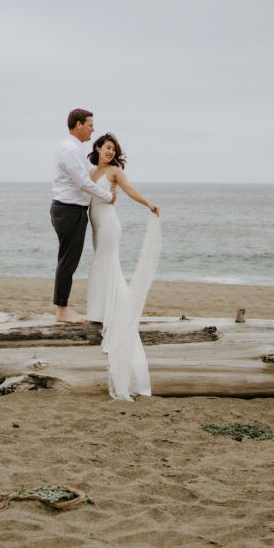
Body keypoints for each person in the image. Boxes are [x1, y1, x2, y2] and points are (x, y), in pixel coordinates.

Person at [85, 133, 161, 400]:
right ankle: (100, 310)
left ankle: (106, 312)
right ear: (97, 148)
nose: (110, 152)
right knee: (102, 265)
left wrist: (148, 204)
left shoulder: (115, 172)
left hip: (108, 225)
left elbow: (129, 191)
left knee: (104, 263)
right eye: (106, 147)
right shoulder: (91, 172)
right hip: (95, 226)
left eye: (113, 149)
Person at [50, 108, 115, 324]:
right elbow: (83, 182)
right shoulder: (70, 148)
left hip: (71, 210)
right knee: (68, 261)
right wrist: (107, 196)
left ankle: (62, 308)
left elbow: (88, 175)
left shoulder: (75, 148)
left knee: (68, 259)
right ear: (78, 125)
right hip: (69, 210)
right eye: (90, 125)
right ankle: (62, 310)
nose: (93, 129)